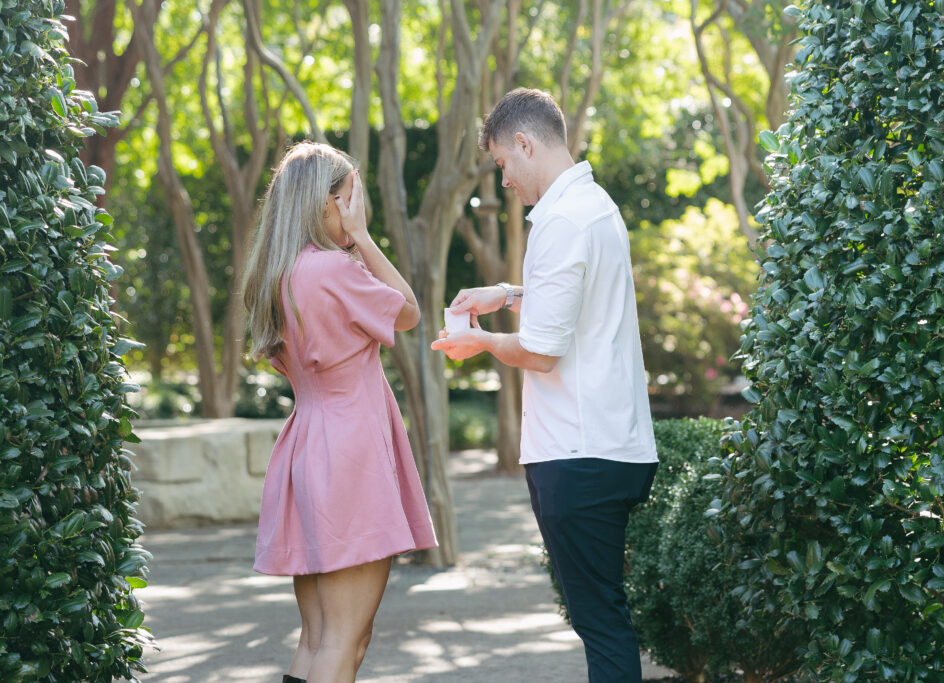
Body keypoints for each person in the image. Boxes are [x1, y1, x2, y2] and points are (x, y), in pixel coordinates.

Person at [431, 88, 659, 682]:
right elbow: (573, 298)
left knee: (600, 622)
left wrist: (479, 342)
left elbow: (540, 351)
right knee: (603, 616)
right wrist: (507, 294)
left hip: (578, 453)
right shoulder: (594, 206)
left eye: (503, 163)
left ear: (525, 143)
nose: (504, 179)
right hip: (611, 445)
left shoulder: (559, 220)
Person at [241, 142, 437, 683]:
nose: (358, 208)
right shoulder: (332, 269)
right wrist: (364, 239)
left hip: (308, 448)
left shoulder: (280, 275)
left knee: (317, 638)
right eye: (352, 197)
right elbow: (409, 312)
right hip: (350, 457)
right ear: (327, 202)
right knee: (344, 641)